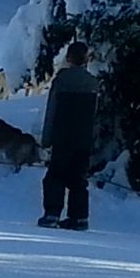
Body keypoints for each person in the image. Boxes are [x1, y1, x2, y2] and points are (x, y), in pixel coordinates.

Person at [37, 41, 99, 231]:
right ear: (86, 60)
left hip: (63, 137)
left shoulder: (61, 80)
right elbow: (96, 115)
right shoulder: (93, 83)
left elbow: (52, 111)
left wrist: (46, 140)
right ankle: (79, 217)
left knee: (55, 177)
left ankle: (52, 214)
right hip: (84, 139)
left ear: (68, 58)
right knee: (78, 179)